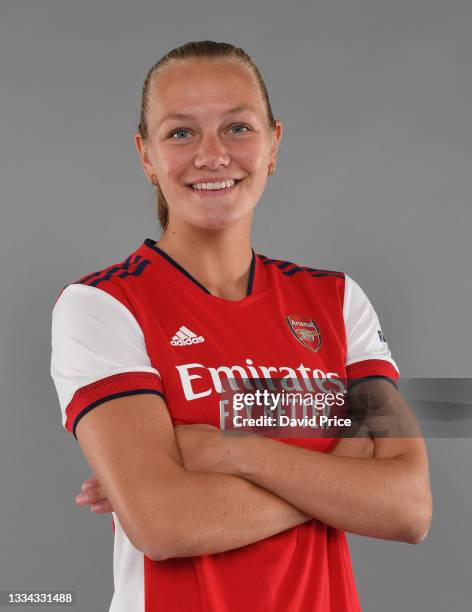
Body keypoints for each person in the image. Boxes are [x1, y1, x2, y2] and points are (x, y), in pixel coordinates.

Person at [50, 40, 432, 612]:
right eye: (180, 133)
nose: (212, 155)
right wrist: (336, 474)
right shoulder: (103, 304)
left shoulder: (337, 301)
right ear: (146, 155)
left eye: (238, 128)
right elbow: (163, 524)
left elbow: (407, 506)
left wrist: (233, 453)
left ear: (274, 144)